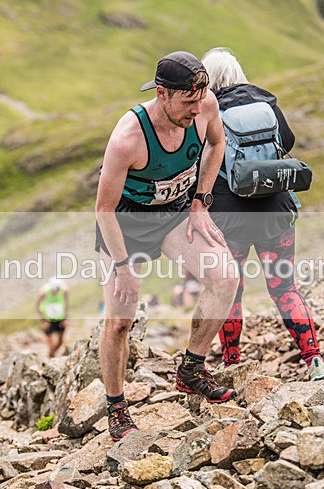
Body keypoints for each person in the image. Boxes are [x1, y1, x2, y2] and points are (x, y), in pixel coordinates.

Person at [96, 51, 240, 441]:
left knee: (226, 276)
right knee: (121, 319)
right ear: (162, 94)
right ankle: (117, 406)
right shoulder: (128, 137)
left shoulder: (204, 103)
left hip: (176, 215)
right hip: (125, 224)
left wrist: (200, 201)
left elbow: (217, 143)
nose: (197, 109)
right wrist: (123, 266)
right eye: (187, 102)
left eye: (200, 100)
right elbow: (103, 209)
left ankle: (191, 369)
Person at [201, 47, 324, 381]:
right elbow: (287, 140)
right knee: (285, 288)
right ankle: (314, 360)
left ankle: (231, 363)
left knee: (231, 291)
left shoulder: (207, 111)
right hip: (275, 213)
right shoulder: (266, 104)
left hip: (229, 220)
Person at [35, 277, 69, 357]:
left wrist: (65, 318)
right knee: (51, 343)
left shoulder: (64, 291)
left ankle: (52, 354)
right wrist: (43, 320)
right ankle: (52, 359)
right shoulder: (44, 292)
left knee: (61, 341)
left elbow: (67, 304)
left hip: (59, 319)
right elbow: (36, 305)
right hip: (48, 320)